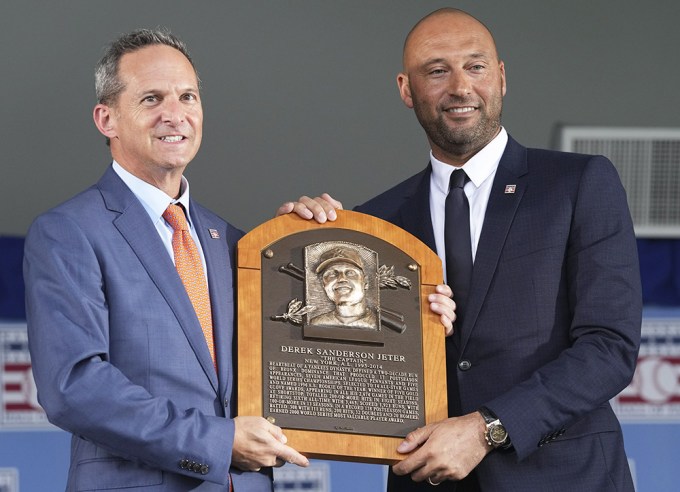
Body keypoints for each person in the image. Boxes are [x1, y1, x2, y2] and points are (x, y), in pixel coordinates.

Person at [281, 8, 642, 492]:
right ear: (406, 89)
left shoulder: (578, 184)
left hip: (564, 476)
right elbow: (343, 364)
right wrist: (302, 241)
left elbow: (609, 346)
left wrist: (488, 428)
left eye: (475, 66)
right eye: (436, 70)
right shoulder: (375, 225)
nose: (460, 86)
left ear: (501, 77)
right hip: (426, 481)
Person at [23, 29, 312, 491]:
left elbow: (299, 355)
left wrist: (305, 249)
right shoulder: (69, 232)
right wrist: (216, 442)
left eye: (187, 97)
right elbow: (74, 387)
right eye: (152, 98)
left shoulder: (235, 242)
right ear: (106, 119)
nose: (174, 114)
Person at [309, 246, 378, 329]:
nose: (341, 279)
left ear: (365, 282)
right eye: (332, 274)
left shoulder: (376, 323)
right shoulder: (315, 323)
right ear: (324, 284)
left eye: (350, 273)